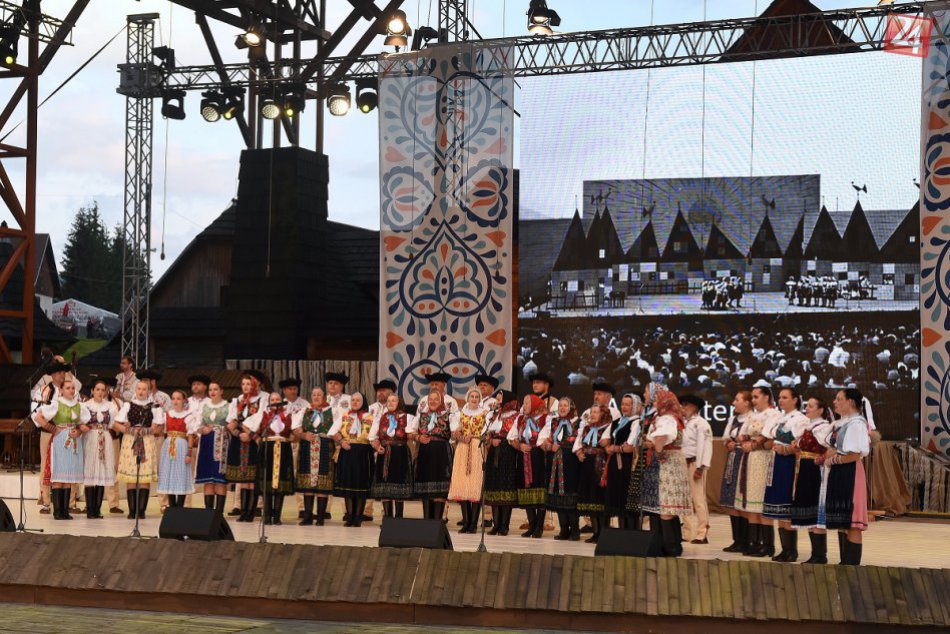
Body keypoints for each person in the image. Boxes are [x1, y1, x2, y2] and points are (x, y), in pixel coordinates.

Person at [639, 383, 692, 557]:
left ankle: (670, 547)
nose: (646, 397)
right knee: (663, 507)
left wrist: (658, 450)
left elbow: (662, 438)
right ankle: (670, 544)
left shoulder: (667, 418)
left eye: (656, 399)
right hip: (668, 462)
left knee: (666, 507)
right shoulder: (665, 417)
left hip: (667, 463)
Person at [824, 388, 871, 565]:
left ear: (850, 402)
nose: (835, 402)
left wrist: (833, 459)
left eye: (839, 399)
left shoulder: (857, 424)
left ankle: (851, 564)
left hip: (850, 472)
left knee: (852, 522)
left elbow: (854, 455)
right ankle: (844, 562)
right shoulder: (845, 423)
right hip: (841, 470)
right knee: (843, 520)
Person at [31, 378, 88, 520]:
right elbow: (38, 417)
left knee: (68, 477)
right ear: (61, 390)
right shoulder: (57, 404)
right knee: (58, 476)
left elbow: (84, 424)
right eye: (68, 388)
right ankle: (57, 511)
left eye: (73, 388)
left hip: (73, 442)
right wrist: (51, 428)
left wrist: (79, 431)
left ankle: (64, 511)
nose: (71, 390)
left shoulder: (79, 405)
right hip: (60, 440)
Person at [735, 385, 782, 557]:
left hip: (763, 458)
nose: (753, 400)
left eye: (756, 397)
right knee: (750, 501)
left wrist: (754, 444)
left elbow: (769, 436)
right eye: (752, 397)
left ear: (766, 397)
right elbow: (742, 434)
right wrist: (744, 440)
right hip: (749, 458)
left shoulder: (773, 414)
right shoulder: (753, 415)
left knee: (761, 501)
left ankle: (768, 545)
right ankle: (753, 542)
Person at [764, 387, 809, 562]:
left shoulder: (800, 419)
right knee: (778, 506)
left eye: (785, 397)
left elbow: (801, 445)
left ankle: (791, 551)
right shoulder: (780, 418)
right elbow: (768, 436)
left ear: (795, 400)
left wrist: (787, 449)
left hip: (789, 464)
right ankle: (784, 549)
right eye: (780, 397)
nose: (780, 400)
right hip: (776, 463)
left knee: (786, 505)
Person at [790, 396, 835, 564]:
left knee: (816, 510)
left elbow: (830, 447)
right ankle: (815, 554)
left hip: (816, 470)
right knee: (808, 510)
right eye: (806, 406)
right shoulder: (808, 426)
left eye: (810, 406)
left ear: (820, 410)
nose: (806, 408)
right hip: (805, 467)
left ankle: (820, 554)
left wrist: (822, 458)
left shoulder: (823, 427)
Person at [114, 380, 163, 519]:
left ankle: (141, 511)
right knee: (131, 476)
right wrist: (130, 430)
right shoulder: (128, 405)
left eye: (144, 389)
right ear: (135, 390)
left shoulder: (155, 407)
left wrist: (147, 431)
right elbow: (116, 424)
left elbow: (159, 428)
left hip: (147, 441)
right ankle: (132, 510)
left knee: (144, 477)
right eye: (139, 389)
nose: (141, 391)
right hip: (131, 440)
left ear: (149, 391)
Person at [226, 370, 268, 522]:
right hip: (239, 440)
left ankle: (251, 511)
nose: (245, 387)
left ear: (255, 384)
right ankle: (243, 511)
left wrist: (249, 434)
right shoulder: (238, 400)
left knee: (251, 477)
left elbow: (261, 418)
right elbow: (231, 422)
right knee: (243, 478)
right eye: (243, 384)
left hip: (253, 440)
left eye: (248, 384)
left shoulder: (263, 398)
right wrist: (237, 433)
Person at [249, 392, 296, 525]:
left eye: (277, 399)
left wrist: (291, 438)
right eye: (273, 399)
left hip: (283, 449)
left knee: (280, 482)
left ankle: (277, 516)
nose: (275, 401)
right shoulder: (264, 415)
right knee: (267, 482)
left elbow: (295, 432)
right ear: (269, 402)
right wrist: (257, 439)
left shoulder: (288, 415)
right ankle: (267, 515)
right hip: (267, 449)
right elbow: (247, 426)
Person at [293, 387, 337, 525]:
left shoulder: (332, 411)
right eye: (314, 395)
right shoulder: (305, 411)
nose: (316, 397)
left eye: (319, 395)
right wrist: (303, 435)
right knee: (307, 481)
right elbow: (295, 429)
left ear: (324, 397)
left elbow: (338, 428)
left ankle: (320, 517)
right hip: (307, 447)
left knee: (322, 480)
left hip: (325, 446)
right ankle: (307, 516)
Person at [412, 390, 458, 519]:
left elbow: (455, 431)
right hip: (424, 453)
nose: (432, 402)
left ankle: (437, 521)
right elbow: (411, 433)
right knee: (426, 488)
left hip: (441, 453)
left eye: (436, 399)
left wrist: (458, 433)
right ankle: (427, 521)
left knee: (440, 488)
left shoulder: (448, 415)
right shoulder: (421, 415)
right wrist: (418, 437)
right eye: (430, 399)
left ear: (441, 401)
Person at [508, 394, 550, 538]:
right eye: (524, 403)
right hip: (523, 457)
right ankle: (531, 525)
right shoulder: (520, 419)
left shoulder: (545, 419)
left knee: (539, 491)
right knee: (526, 491)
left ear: (535, 405)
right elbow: (511, 437)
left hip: (538, 458)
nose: (524, 406)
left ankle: (539, 526)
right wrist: (520, 446)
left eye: (527, 403)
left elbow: (544, 440)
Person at [448, 388, 489, 533]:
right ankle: (466, 521)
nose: (474, 399)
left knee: (475, 485)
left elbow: (487, 433)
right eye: (472, 396)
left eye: (477, 396)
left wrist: (477, 437)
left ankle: (473, 523)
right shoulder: (460, 414)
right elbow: (455, 433)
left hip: (477, 448)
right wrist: (461, 436)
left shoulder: (485, 414)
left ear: (479, 399)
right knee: (462, 484)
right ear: (467, 398)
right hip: (463, 449)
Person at [540, 397, 581, 540]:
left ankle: (575, 529)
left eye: (565, 405)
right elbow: (545, 442)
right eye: (560, 406)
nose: (562, 408)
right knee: (558, 495)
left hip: (571, 463)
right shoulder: (554, 422)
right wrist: (549, 446)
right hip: (555, 463)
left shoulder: (578, 423)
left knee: (570, 495)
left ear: (571, 407)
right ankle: (564, 529)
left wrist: (562, 447)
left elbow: (579, 442)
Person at [369, 393, 415, 519]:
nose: (390, 403)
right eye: (388, 401)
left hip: (400, 453)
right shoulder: (381, 417)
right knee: (385, 487)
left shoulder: (408, 417)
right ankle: (387, 519)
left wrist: (413, 435)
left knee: (399, 486)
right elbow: (372, 437)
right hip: (384, 454)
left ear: (399, 403)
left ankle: (398, 519)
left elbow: (412, 434)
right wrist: (377, 446)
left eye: (393, 401)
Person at [332, 392, 374, 527]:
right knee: (348, 484)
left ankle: (358, 517)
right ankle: (350, 516)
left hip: (363, 453)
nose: (355, 402)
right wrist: (341, 441)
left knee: (360, 484)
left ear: (363, 402)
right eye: (353, 400)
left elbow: (375, 435)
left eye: (358, 400)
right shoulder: (345, 416)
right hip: (347, 452)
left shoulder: (370, 417)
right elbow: (332, 431)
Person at [601, 393, 642, 529]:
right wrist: (609, 447)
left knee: (626, 496)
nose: (624, 407)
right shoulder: (617, 422)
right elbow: (603, 440)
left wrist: (615, 448)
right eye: (623, 404)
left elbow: (630, 446)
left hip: (628, 464)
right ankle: (620, 531)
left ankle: (630, 531)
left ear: (634, 406)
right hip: (615, 464)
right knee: (616, 496)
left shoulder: (637, 422)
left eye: (628, 405)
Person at [719, 391, 752, 552]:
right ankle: (737, 540)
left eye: (737, 399)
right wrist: (728, 444)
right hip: (733, 460)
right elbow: (726, 438)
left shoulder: (753, 419)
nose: (733, 403)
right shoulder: (732, 419)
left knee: (742, 499)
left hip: (745, 459)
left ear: (746, 402)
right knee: (731, 500)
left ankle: (747, 540)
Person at [81, 379, 119, 519]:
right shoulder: (86, 406)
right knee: (90, 471)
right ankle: (90, 509)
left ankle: (97, 509)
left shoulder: (110, 406)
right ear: (92, 390)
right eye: (97, 389)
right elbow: (80, 423)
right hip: (90, 438)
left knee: (101, 473)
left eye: (103, 390)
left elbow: (113, 424)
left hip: (105, 438)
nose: (100, 392)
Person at [484, 392, 520, 535]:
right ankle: (496, 524)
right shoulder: (496, 415)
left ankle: (504, 525)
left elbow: (514, 434)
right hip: (494, 452)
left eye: (500, 399)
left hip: (507, 452)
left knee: (506, 487)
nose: (498, 401)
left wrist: (502, 441)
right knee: (495, 487)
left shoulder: (516, 416)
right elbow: (489, 433)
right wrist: (491, 440)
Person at [573, 403, 610, 543]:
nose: (593, 414)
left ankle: (604, 534)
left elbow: (606, 446)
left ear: (603, 414)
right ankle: (595, 533)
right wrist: (579, 452)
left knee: (600, 498)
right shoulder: (587, 428)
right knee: (591, 499)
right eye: (591, 412)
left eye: (596, 412)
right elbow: (578, 443)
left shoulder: (607, 427)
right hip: (587, 465)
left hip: (600, 466)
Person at [157, 390, 199, 509]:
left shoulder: (188, 416)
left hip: (181, 446)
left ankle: (180, 507)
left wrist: (189, 453)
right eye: (173, 398)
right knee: (169, 474)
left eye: (178, 398)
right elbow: (160, 430)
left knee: (181, 475)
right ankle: (172, 506)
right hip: (168, 445)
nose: (175, 401)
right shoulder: (167, 414)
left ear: (184, 401)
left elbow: (190, 436)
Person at [194, 380, 231, 514]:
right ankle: (208, 513)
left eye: (215, 389)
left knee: (220, 480)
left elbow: (232, 423)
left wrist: (222, 428)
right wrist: (201, 429)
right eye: (210, 390)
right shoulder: (204, 405)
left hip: (221, 443)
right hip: (207, 442)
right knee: (208, 480)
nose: (212, 392)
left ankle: (218, 513)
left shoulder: (228, 406)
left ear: (221, 391)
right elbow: (197, 424)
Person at [680, 394, 713, 544]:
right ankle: (687, 532)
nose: (683, 407)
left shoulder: (701, 423)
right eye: (682, 404)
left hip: (695, 463)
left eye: (686, 405)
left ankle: (702, 533)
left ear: (694, 407)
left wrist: (701, 467)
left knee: (698, 499)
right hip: (682, 463)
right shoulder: (682, 423)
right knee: (684, 500)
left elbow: (705, 446)